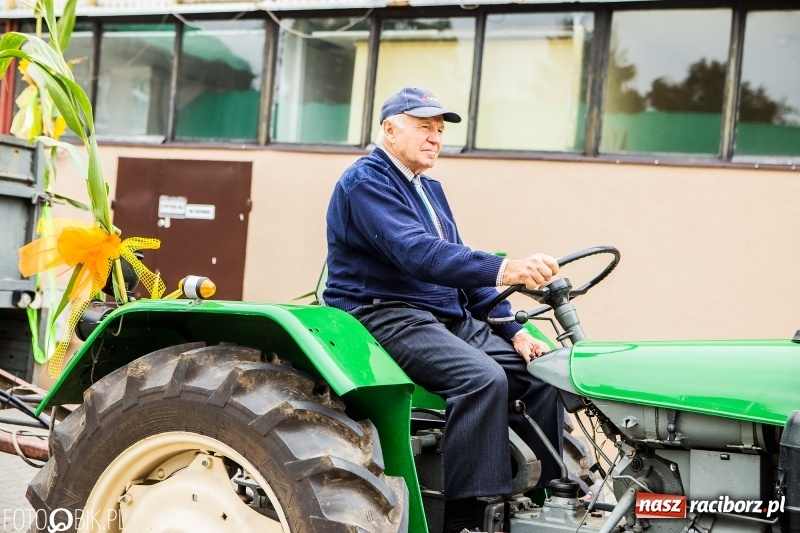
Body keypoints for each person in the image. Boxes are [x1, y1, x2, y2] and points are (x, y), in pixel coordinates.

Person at [324, 87, 564, 533]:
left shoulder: (428, 188)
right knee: (481, 379)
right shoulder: (366, 182)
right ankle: (468, 518)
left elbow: (455, 264)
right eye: (424, 127)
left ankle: (549, 500)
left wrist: (514, 329)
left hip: (443, 314)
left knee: (544, 374)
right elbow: (418, 254)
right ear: (390, 129)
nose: (435, 138)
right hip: (386, 312)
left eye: (439, 131)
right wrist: (506, 267)